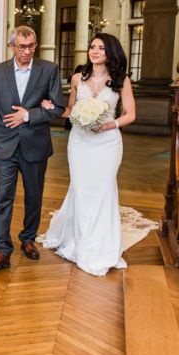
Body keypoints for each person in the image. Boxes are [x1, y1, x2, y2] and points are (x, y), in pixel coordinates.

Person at [39, 33, 136, 276]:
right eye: (92, 47)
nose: (94, 51)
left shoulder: (121, 80)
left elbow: (130, 114)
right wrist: (52, 108)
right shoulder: (77, 78)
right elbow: (71, 111)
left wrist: (109, 124)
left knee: (103, 191)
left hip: (107, 143)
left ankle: (99, 247)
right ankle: (78, 242)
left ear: (110, 52)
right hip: (80, 142)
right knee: (81, 190)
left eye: (101, 48)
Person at [0, 26, 65, 270]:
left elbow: (58, 108)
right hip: (4, 145)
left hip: (35, 145)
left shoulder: (49, 70)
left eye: (31, 46)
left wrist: (29, 115)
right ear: (12, 47)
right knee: (3, 198)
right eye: (22, 47)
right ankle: (2, 250)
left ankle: (28, 239)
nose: (27, 51)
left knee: (33, 196)